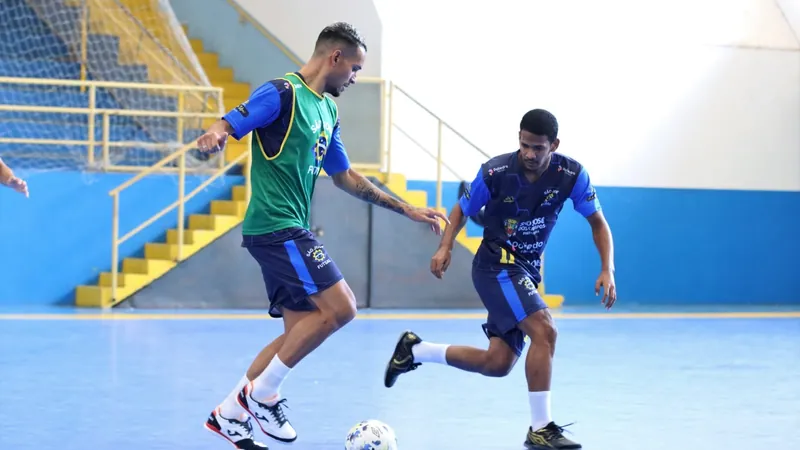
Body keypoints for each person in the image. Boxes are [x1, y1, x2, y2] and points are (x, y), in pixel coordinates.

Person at [195, 22, 449, 450]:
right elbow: (229, 122)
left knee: (297, 332)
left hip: (286, 228)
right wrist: (216, 135)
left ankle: (229, 415)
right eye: (354, 69)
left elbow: (345, 176)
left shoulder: (328, 112)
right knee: (343, 307)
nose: (355, 78)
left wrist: (406, 208)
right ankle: (261, 395)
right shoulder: (282, 93)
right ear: (334, 58)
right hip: (277, 226)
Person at [383, 109, 617, 449]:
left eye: (538, 148)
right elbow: (461, 209)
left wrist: (607, 268)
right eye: (524, 145)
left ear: (554, 145)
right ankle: (541, 428)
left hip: (525, 270)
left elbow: (598, 221)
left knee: (497, 363)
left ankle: (415, 350)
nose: (529, 154)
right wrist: (445, 246)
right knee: (545, 329)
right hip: (496, 265)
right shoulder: (495, 172)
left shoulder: (571, 174)